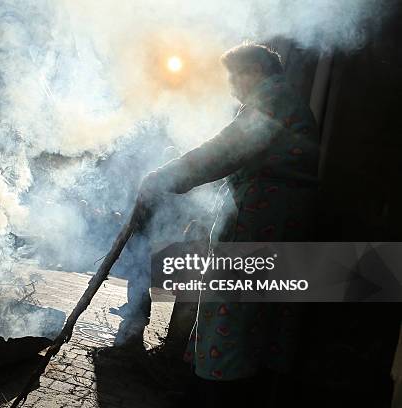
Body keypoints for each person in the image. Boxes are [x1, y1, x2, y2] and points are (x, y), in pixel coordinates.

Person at [116, 43, 319, 407]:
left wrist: (163, 177)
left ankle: (213, 396)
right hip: (278, 227)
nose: (231, 87)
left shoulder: (271, 99)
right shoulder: (289, 100)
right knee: (260, 325)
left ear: (253, 71)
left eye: (234, 77)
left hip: (258, 229)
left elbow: (223, 151)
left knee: (231, 321)